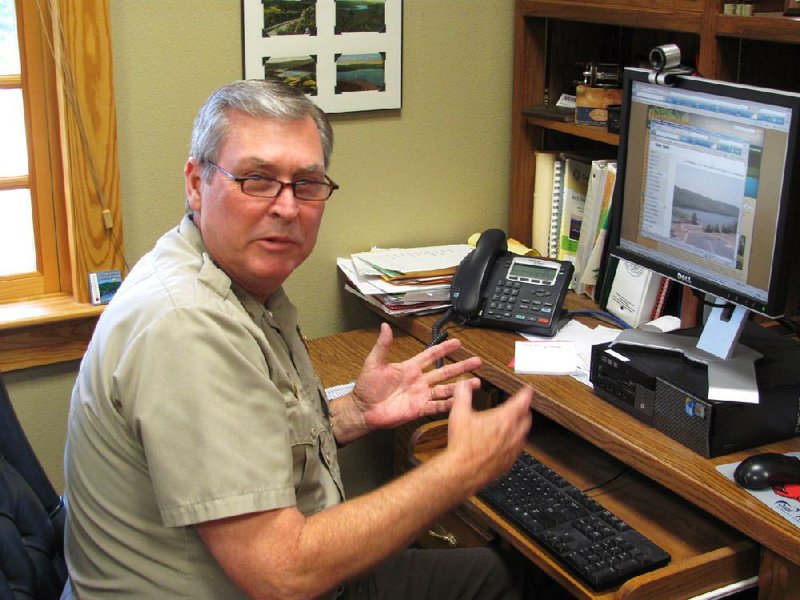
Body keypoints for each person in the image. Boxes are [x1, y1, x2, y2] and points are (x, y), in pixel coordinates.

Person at [62, 79, 534, 600]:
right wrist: (459, 470)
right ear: (196, 184)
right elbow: (282, 574)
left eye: (307, 184)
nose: (286, 207)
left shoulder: (229, 279)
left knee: (490, 574)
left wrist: (354, 411)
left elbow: (247, 442)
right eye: (257, 179)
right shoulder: (187, 326)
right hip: (269, 580)